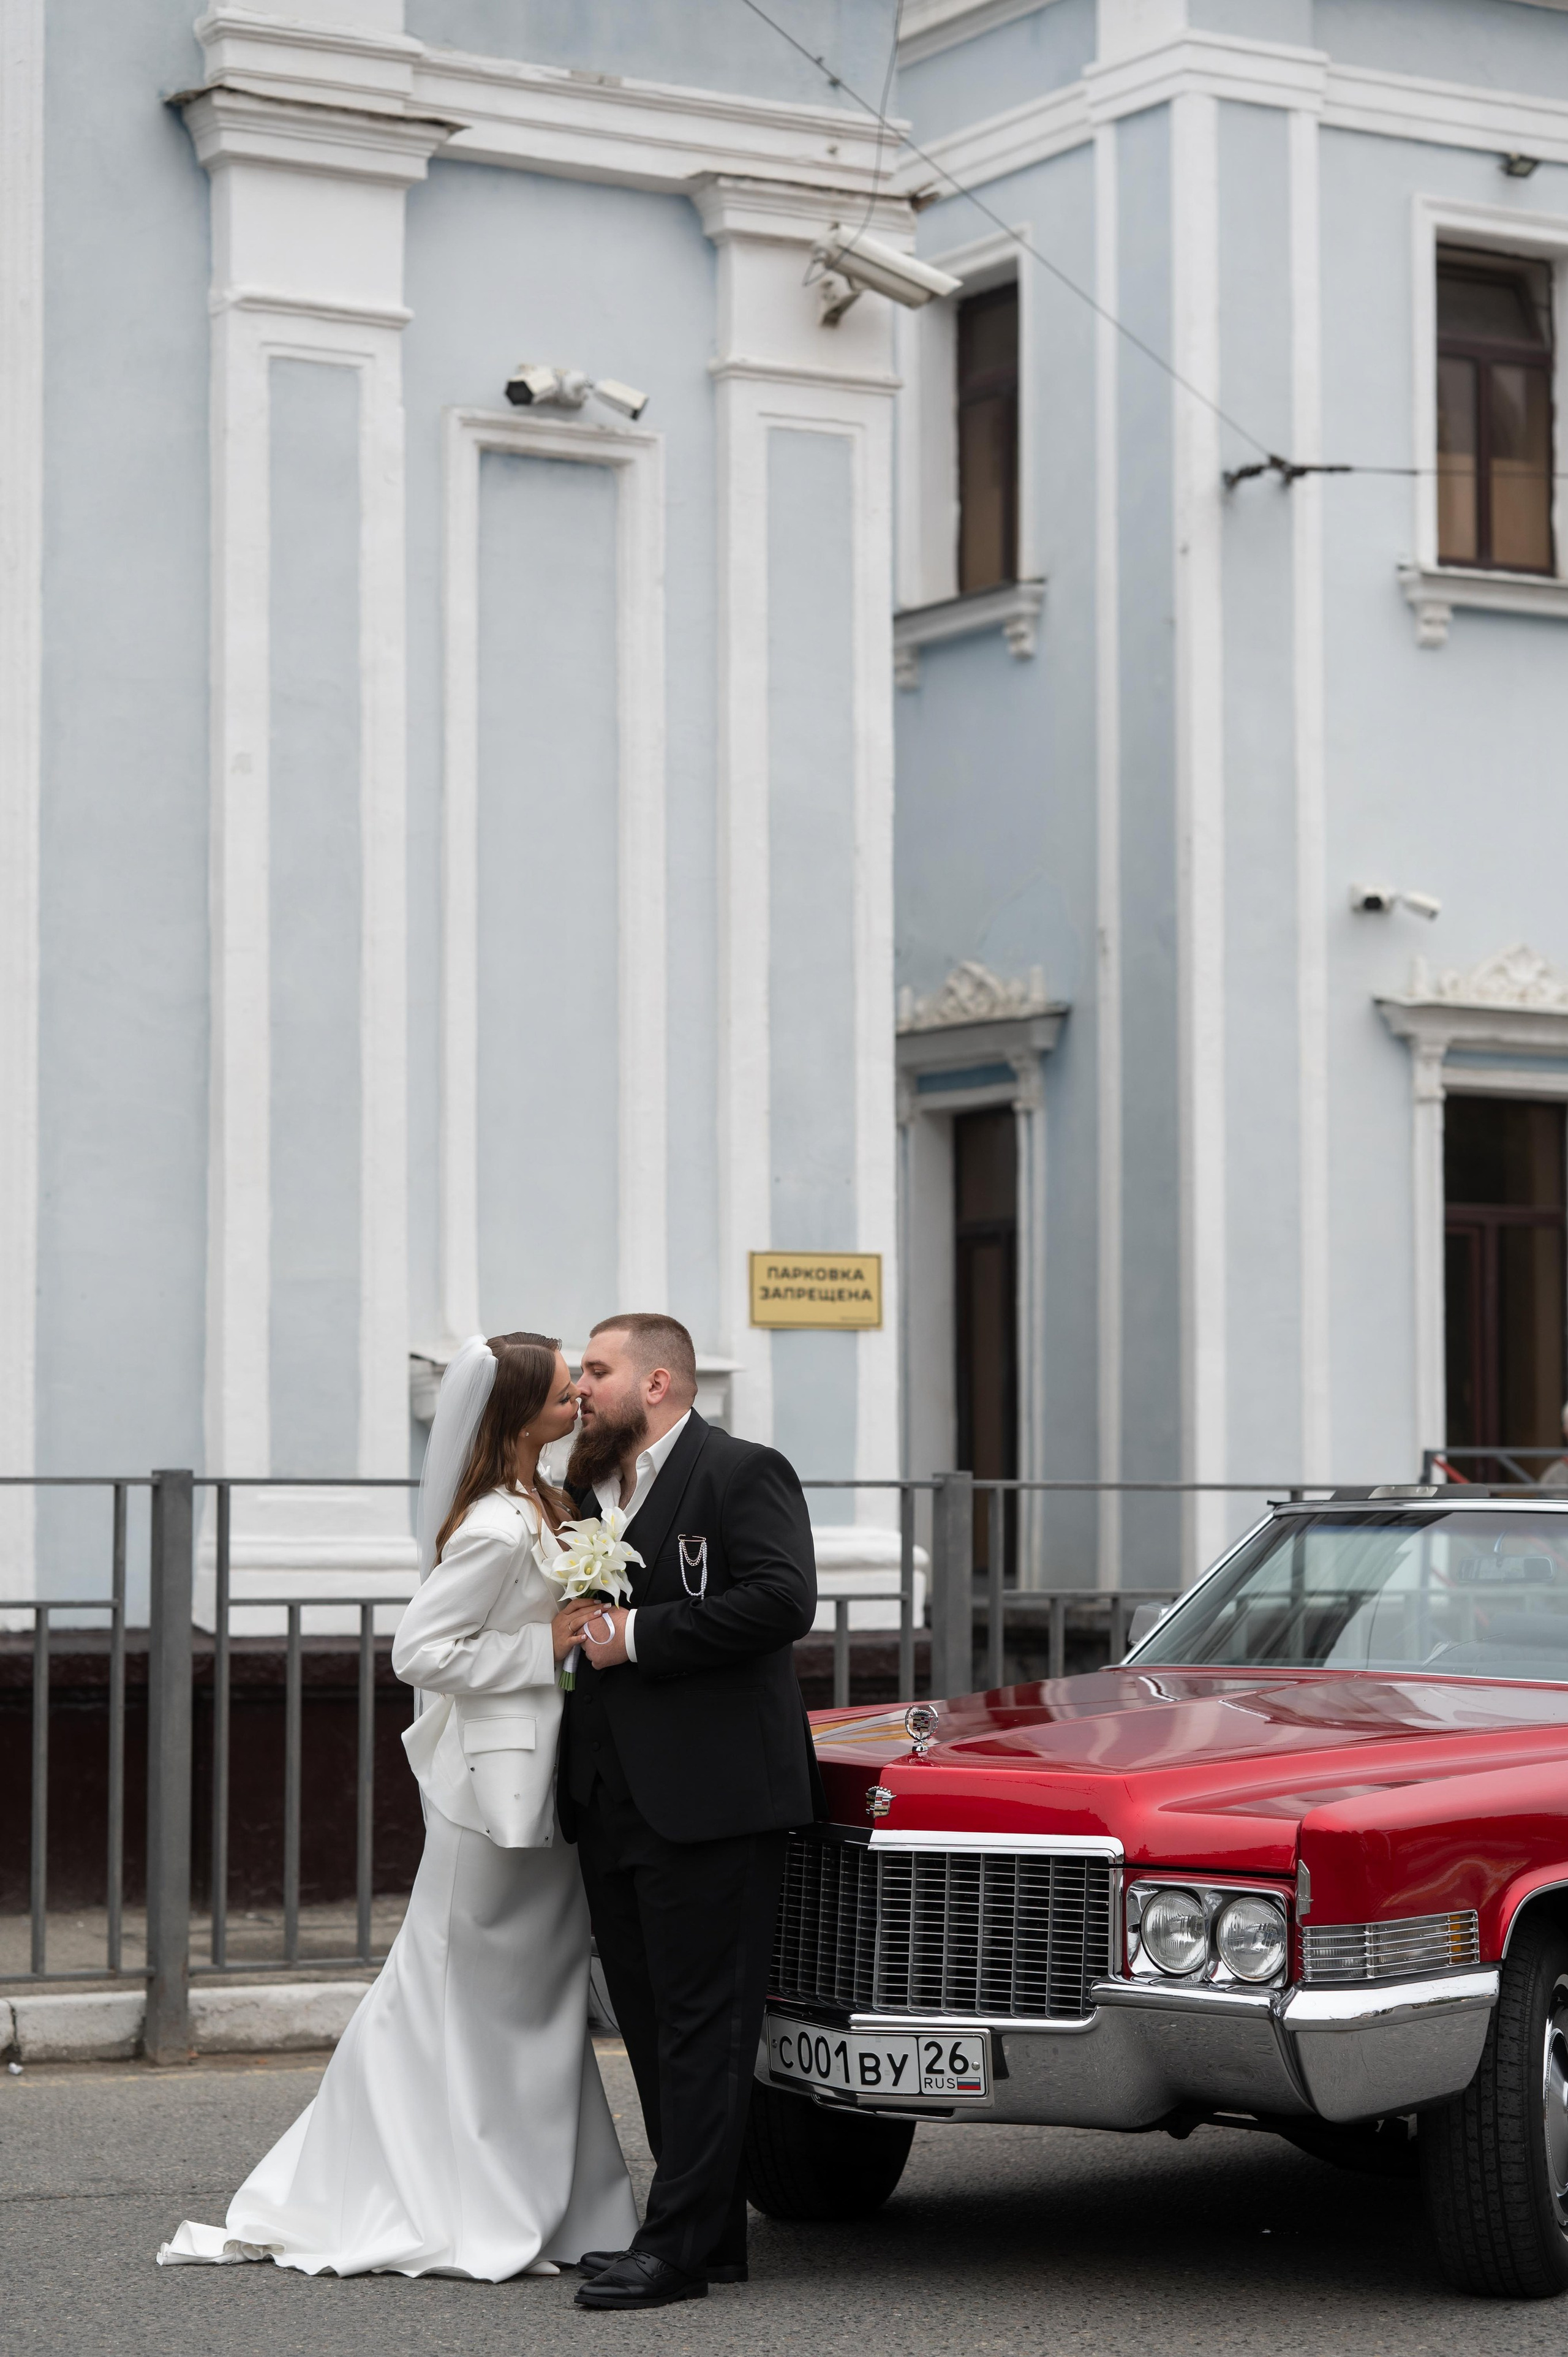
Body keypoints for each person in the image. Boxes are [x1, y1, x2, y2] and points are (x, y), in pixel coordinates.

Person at [157, 1331, 637, 2280]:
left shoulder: (548, 1501)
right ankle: (449, 2198)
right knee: (457, 1999)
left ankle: (555, 2204)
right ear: (514, 1414)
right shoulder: (499, 1524)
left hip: (542, 1790)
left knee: (533, 2009)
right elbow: (418, 1652)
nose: (575, 1400)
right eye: (557, 1394)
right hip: (493, 1803)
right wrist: (541, 1647)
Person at [560, 1312, 824, 2312]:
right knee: (649, 2020)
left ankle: (672, 2247)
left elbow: (780, 1599)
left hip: (714, 1801)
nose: (580, 1388)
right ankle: (704, 2233)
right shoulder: (590, 1491)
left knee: (705, 2030)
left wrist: (642, 1636)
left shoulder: (741, 1472)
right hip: (610, 1799)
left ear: (659, 1383)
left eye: (597, 1370)